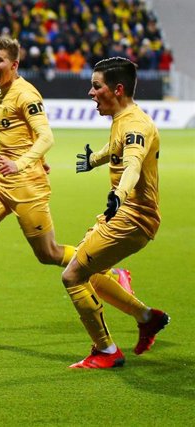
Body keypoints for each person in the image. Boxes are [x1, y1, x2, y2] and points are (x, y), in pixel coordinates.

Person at [0, 37, 136, 335]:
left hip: (26, 187)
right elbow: (24, 138)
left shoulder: (25, 94)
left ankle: (113, 273)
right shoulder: (3, 91)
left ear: (14, 65)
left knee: (49, 254)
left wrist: (24, 162)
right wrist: (34, 158)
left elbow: (46, 137)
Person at [63, 57, 169, 369]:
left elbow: (133, 162)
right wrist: (94, 160)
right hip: (124, 215)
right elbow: (117, 148)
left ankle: (106, 351)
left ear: (117, 89)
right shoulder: (124, 119)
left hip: (132, 218)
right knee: (90, 275)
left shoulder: (136, 124)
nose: (91, 92)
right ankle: (146, 317)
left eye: (97, 86)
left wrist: (118, 194)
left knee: (72, 275)